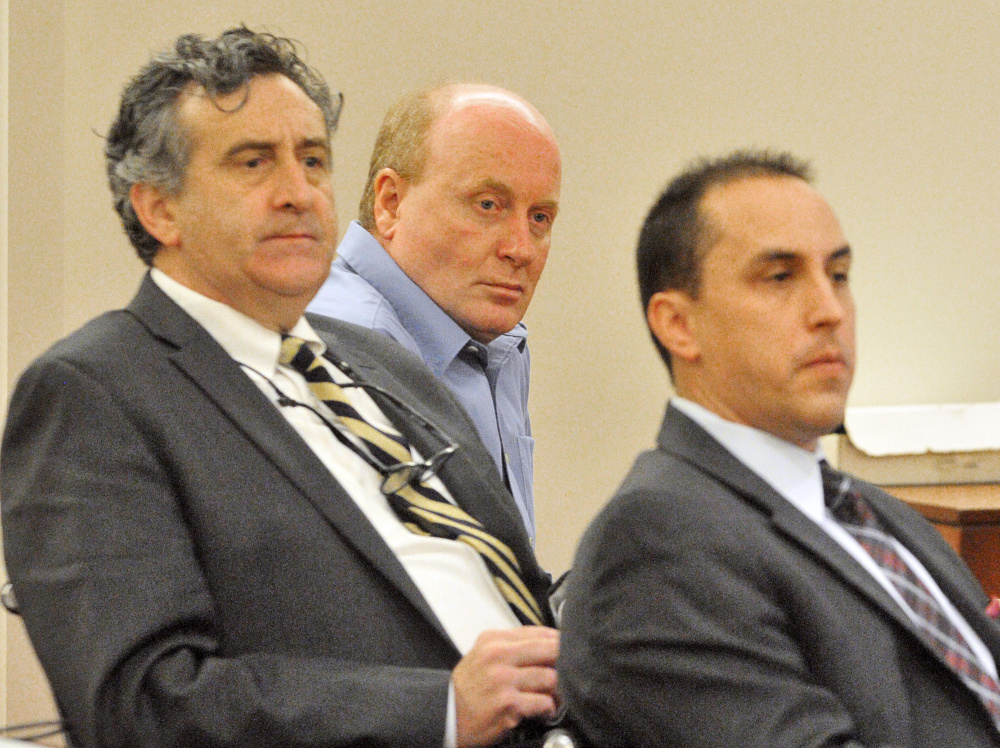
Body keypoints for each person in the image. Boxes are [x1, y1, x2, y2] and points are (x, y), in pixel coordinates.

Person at [0, 28, 560, 748]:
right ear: (158, 209)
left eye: (314, 160)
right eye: (253, 162)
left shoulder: (379, 364)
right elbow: (141, 703)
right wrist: (441, 711)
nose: (298, 194)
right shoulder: (96, 393)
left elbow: (517, 587)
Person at [557, 150, 1000, 747]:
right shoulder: (656, 543)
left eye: (838, 275)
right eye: (780, 277)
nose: (829, 311)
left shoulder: (874, 512)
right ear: (678, 325)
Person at [307, 83, 561, 544]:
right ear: (390, 204)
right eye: (488, 205)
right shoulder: (333, 347)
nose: (520, 249)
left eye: (540, 218)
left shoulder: (494, 340)